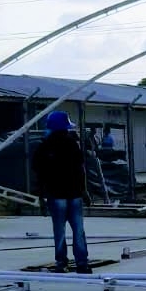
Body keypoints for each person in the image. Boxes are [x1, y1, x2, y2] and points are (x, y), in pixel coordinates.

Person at [32, 110, 92, 274]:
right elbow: (81, 170)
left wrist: (40, 200)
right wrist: (84, 191)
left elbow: (39, 176)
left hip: (55, 196)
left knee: (59, 231)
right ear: (65, 128)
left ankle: (61, 263)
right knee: (78, 230)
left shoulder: (43, 147)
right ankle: (82, 263)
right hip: (74, 194)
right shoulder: (72, 144)